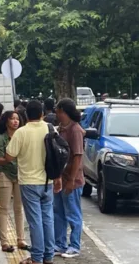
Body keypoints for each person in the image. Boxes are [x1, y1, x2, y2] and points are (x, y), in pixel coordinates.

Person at [5, 100, 61, 264]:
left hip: (28, 182)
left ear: (26, 115)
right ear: (43, 114)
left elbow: (9, 156)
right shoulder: (51, 129)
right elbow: (58, 155)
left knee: (35, 221)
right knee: (47, 218)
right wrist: (58, 178)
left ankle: (36, 257)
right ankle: (48, 256)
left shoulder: (21, 132)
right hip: (47, 181)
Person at [54, 98, 84, 258]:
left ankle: (74, 245)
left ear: (64, 111)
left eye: (58, 111)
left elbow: (78, 157)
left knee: (73, 213)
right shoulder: (61, 129)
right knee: (58, 212)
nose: (56, 114)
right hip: (61, 179)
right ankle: (59, 244)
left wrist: (72, 180)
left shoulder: (75, 130)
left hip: (72, 180)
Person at [0, 111, 28, 253]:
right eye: (12, 119)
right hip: (5, 174)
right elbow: (0, 160)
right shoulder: (2, 139)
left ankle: (21, 240)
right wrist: (8, 159)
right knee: (4, 208)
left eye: (17, 119)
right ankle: (4, 242)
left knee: (19, 208)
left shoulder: (23, 136)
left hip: (21, 175)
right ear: (6, 121)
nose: (15, 121)